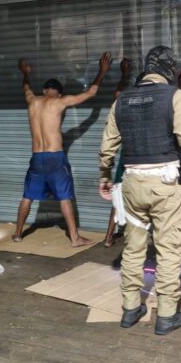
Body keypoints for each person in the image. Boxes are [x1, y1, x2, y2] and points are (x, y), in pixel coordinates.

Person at [99, 45, 181, 335]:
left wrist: (105, 176)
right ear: (169, 69)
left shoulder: (122, 100)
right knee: (167, 250)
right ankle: (166, 315)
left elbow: (107, 149)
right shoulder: (175, 96)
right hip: (165, 184)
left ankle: (131, 309)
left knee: (133, 247)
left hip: (131, 182)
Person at [14, 52, 112, 246]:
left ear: (44, 90)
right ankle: (75, 238)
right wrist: (101, 72)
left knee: (27, 196)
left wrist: (25, 73)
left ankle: (17, 234)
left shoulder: (32, 101)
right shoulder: (60, 101)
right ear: (58, 92)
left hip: (36, 157)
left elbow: (25, 86)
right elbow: (91, 93)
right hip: (55, 158)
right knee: (65, 197)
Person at [103, 58, 133, 247]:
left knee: (118, 196)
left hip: (126, 156)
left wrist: (124, 75)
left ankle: (108, 237)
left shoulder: (123, 108)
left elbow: (117, 94)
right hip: (144, 159)